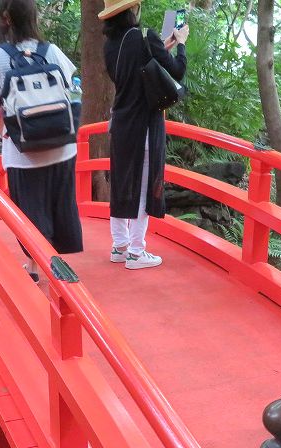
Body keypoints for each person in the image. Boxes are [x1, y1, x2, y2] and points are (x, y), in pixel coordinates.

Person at [0, 0, 84, 268]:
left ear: (5, 18)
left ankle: (36, 266)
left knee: (30, 215)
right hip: (62, 146)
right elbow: (73, 93)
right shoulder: (52, 52)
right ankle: (59, 267)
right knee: (59, 206)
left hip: (23, 152)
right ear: (34, 17)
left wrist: (7, 135)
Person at [100, 0, 188, 269]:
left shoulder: (109, 46)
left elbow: (136, 69)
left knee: (121, 182)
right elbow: (177, 71)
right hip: (145, 126)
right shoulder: (144, 38)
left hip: (121, 123)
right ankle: (137, 253)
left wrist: (163, 46)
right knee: (143, 187)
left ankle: (120, 246)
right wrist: (181, 42)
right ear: (133, 10)